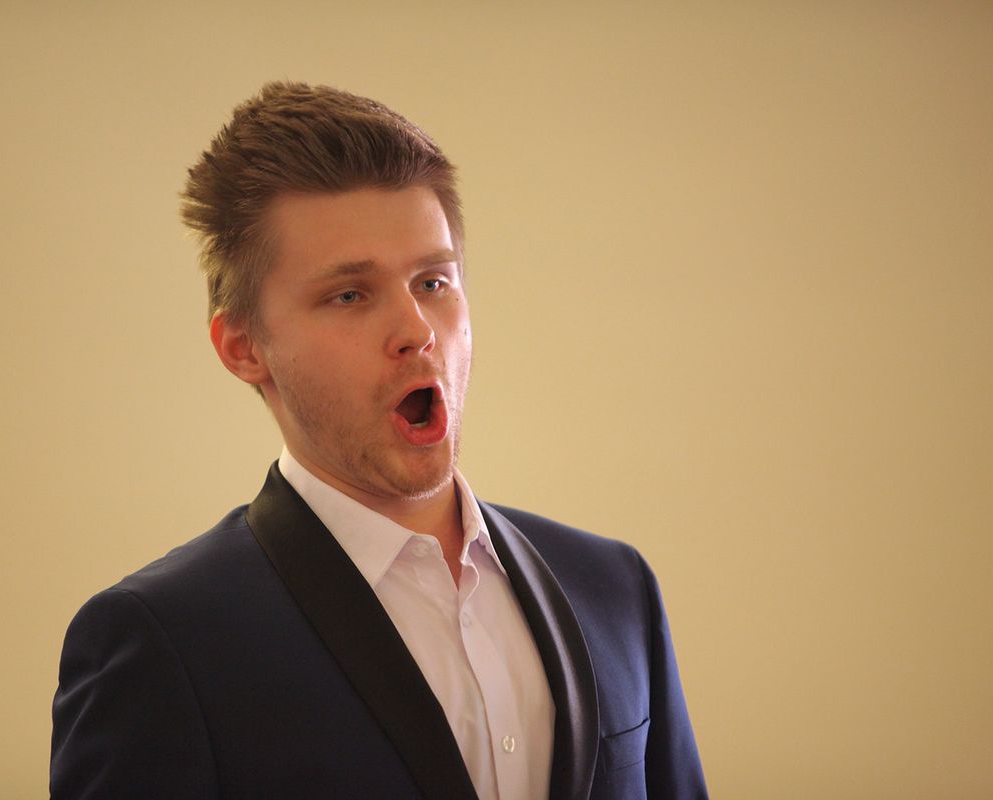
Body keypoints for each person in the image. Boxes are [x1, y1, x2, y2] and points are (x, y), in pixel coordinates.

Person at [50, 81, 707, 800]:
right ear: (243, 347)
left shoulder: (615, 587)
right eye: (350, 295)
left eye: (433, 282)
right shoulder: (161, 642)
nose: (417, 331)